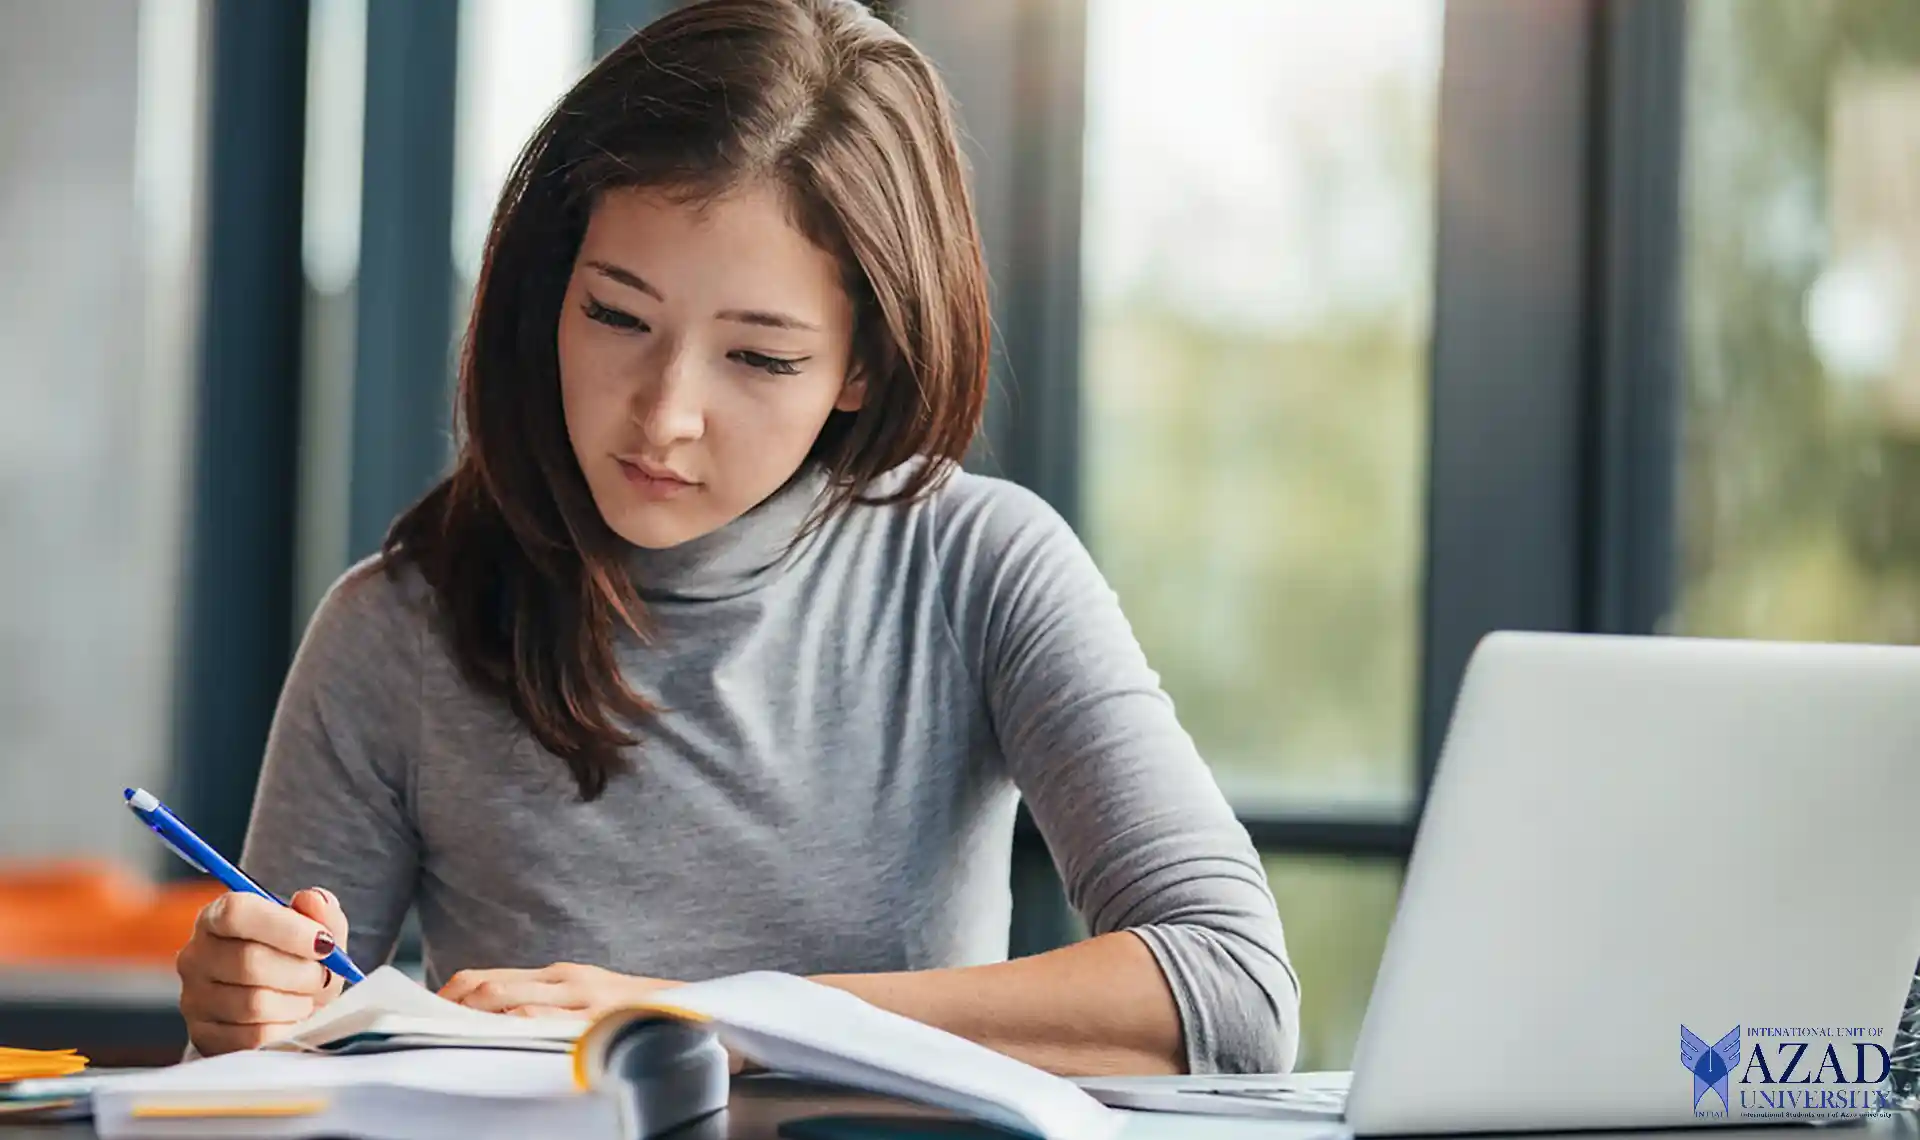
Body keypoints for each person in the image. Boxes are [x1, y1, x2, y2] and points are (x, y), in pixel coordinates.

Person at [172, 0, 1299, 1077]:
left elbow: (1234, 993)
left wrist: (708, 1018)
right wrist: (242, 1021)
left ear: (864, 364)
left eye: (759, 358)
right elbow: (261, 1087)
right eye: (616, 315)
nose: (664, 416)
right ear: (550, 290)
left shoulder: (975, 568)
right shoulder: (400, 628)